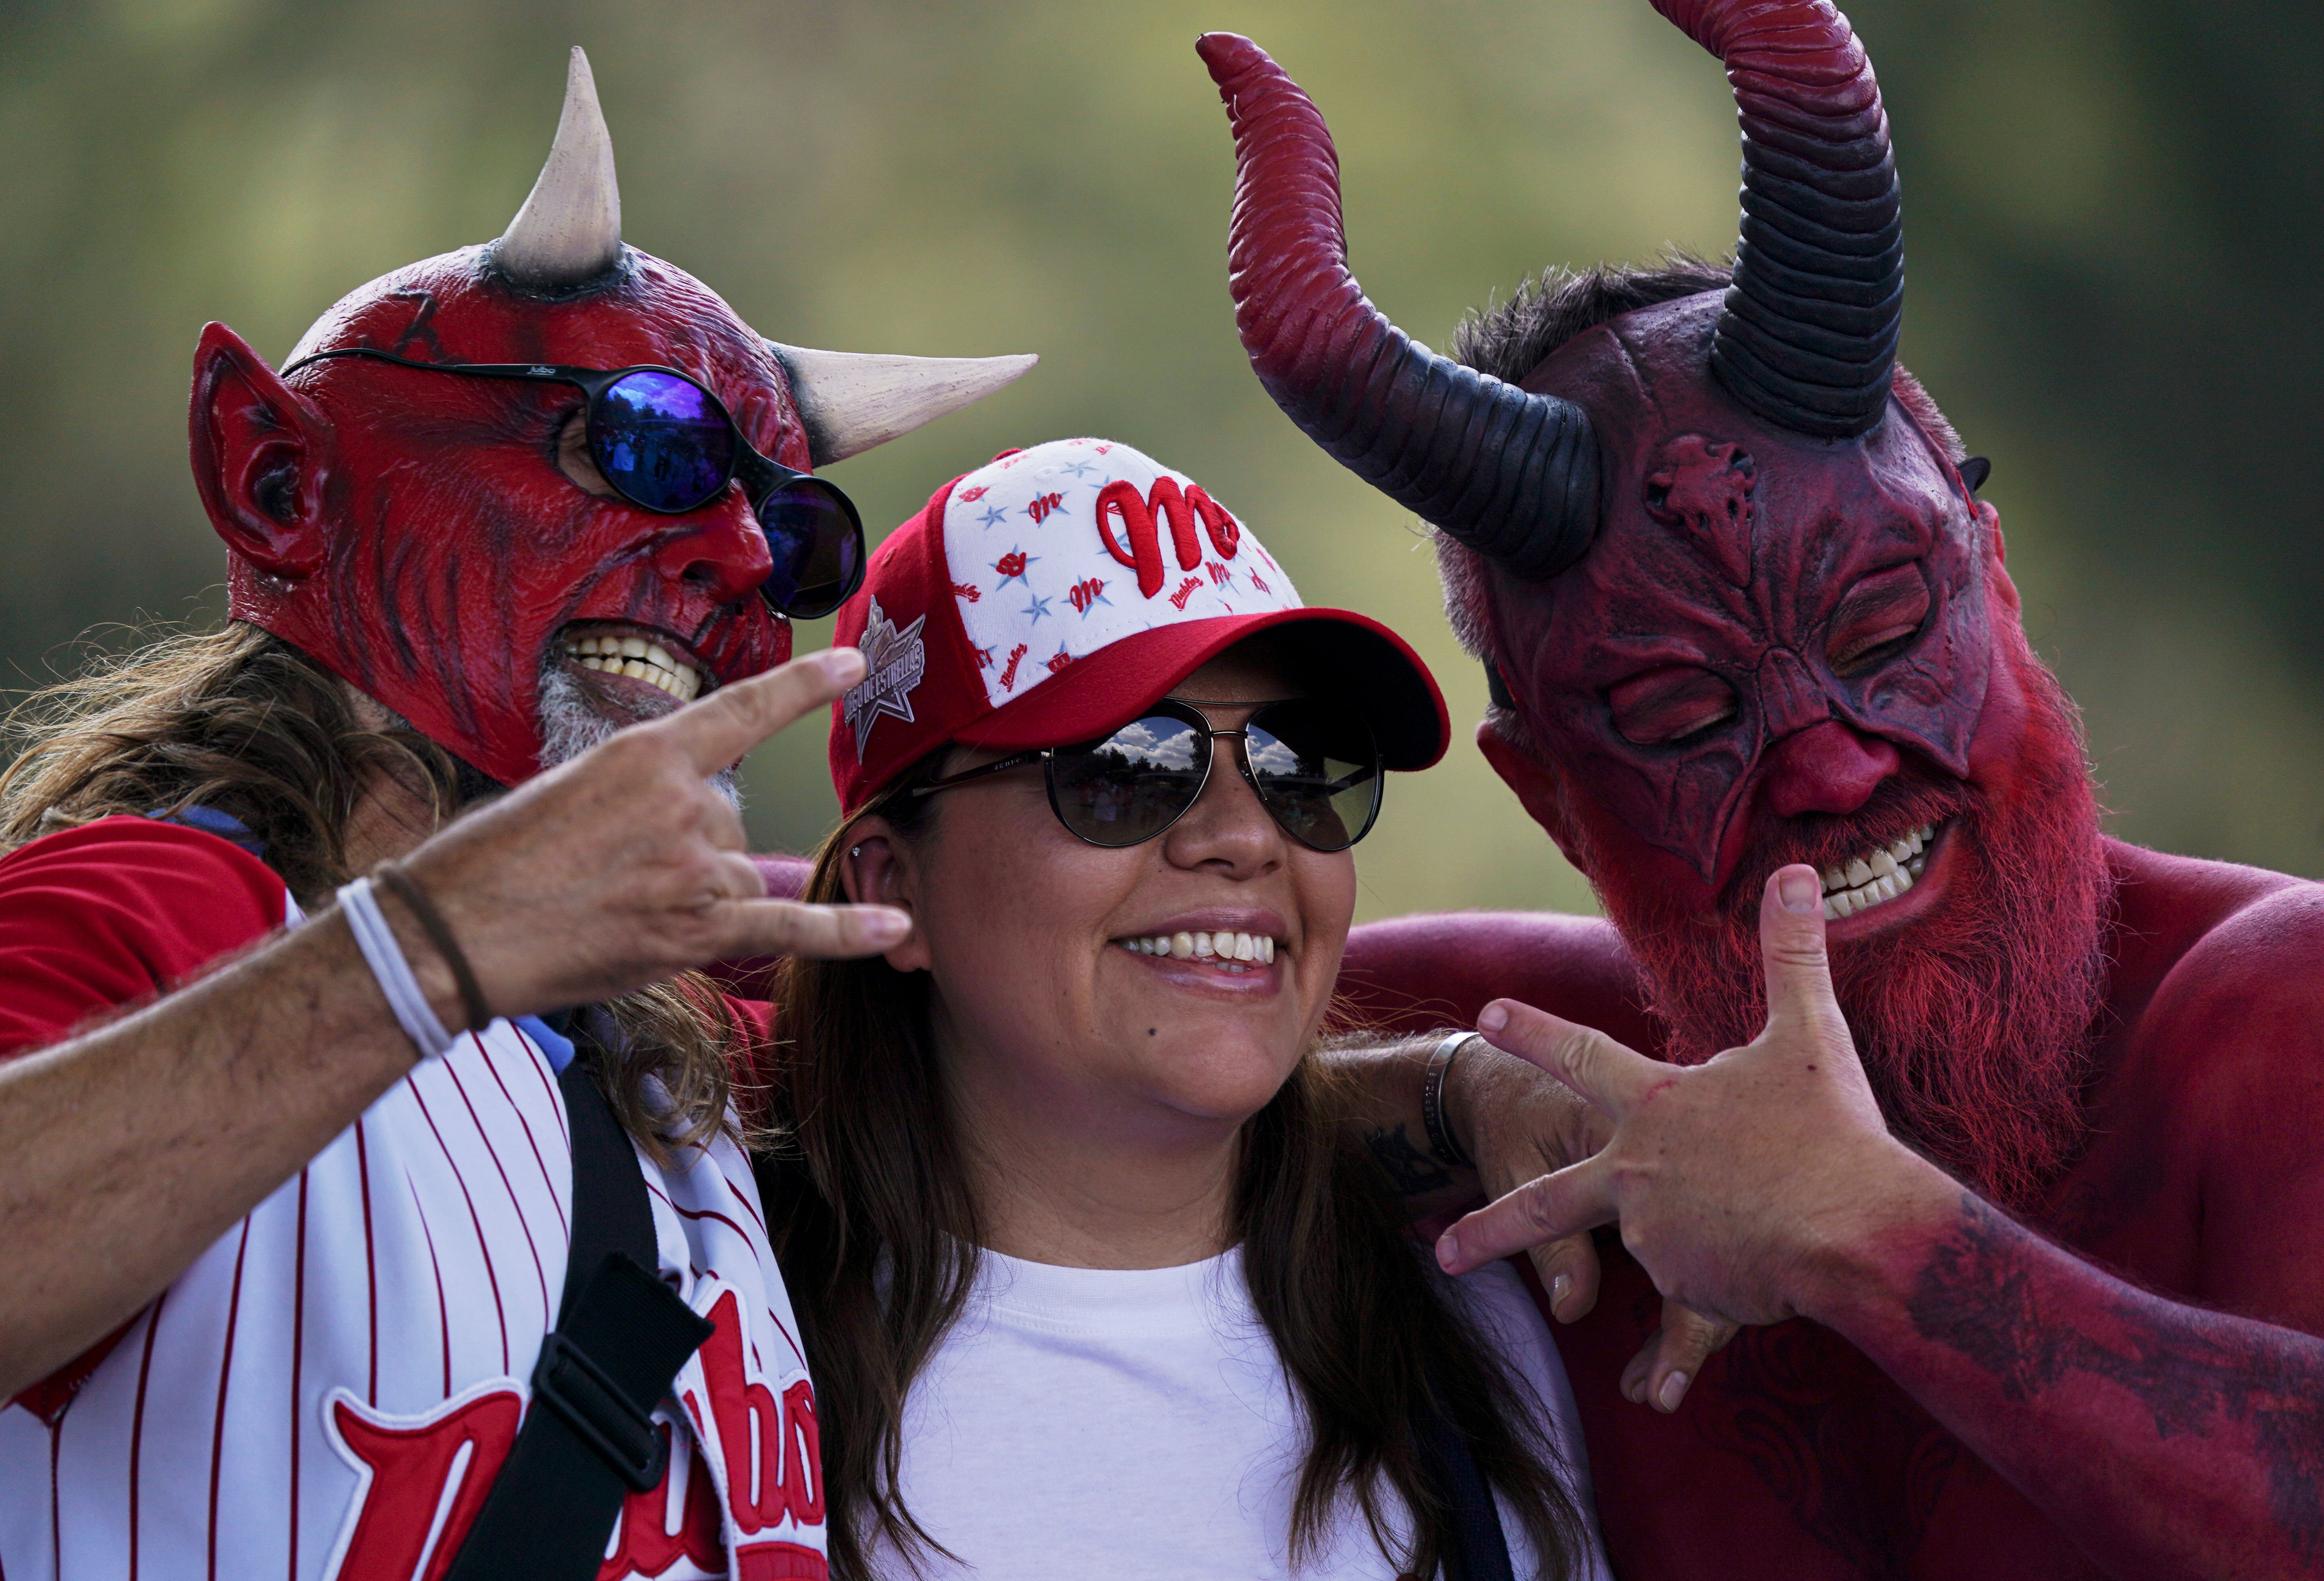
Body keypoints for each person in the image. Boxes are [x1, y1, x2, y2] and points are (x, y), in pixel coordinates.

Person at [1198, 4, 2324, 1577]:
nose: (1833, 759)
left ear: (1990, 585)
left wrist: (1873, 1239)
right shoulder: (1545, 1086)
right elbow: (900, 1007)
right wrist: (1436, 1098)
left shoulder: (2276, 1015)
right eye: (1675, 706)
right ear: (1550, 800)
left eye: (1878, 625)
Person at [0, 48, 1034, 1578]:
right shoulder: (172, 907)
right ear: (277, 478)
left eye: (795, 527)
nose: (745, 555)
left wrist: (1447, 1091)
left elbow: (1099, 1079)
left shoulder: (673, 1063)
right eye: (650, 448)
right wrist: (433, 946)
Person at [761, 437, 1616, 1580]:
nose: (1246, 835)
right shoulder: (717, 1339)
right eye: (1123, 764)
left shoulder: (1483, 1343)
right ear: (889, 889)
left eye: (1300, 762)